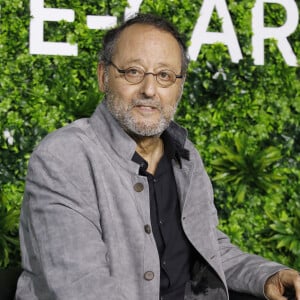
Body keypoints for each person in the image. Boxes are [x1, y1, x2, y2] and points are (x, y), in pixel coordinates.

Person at [16, 13, 300, 300]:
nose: (149, 90)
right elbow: (81, 285)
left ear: (179, 86)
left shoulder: (186, 157)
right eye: (133, 72)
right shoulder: (64, 157)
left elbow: (209, 248)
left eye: (164, 75)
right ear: (103, 77)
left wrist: (268, 275)